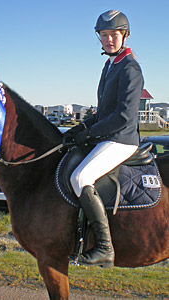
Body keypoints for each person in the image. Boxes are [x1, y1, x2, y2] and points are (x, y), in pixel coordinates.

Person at [64, 10, 144, 268]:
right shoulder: (110, 65)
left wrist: (90, 133)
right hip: (108, 135)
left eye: (114, 34)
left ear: (124, 35)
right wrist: (79, 128)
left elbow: (122, 116)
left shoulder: (130, 68)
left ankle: (104, 248)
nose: (109, 39)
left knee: (80, 177)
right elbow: (103, 112)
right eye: (105, 35)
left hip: (122, 139)